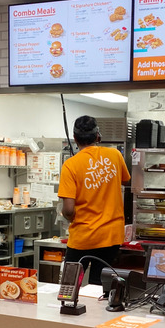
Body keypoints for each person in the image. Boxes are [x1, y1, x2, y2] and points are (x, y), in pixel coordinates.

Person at [58, 115, 131, 284]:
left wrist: (69, 217)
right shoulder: (115, 155)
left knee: (71, 284)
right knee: (100, 285)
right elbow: (125, 179)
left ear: (75, 138)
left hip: (83, 236)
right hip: (111, 236)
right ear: (98, 136)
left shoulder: (71, 165)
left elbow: (68, 209)